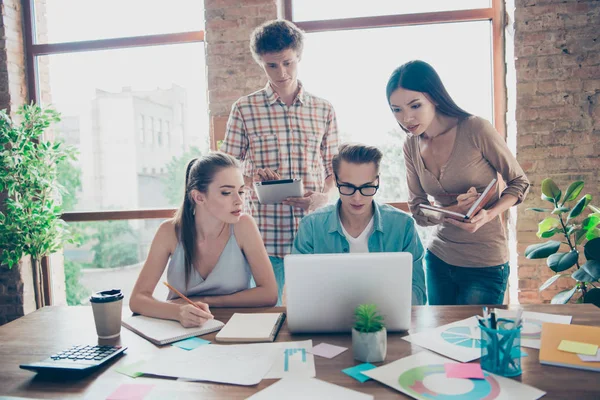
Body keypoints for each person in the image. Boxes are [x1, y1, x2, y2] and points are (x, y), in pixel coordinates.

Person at [386, 60, 530, 305]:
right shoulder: (411, 145)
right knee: (437, 339)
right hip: (438, 257)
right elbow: (419, 212)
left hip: (484, 263)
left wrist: (488, 214)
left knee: (474, 340)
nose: (406, 118)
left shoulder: (476, 129)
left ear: (435, 98)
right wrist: (452, 212)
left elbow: (519, 182)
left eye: (415, 105)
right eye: (396, 109)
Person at [220, 20, 339, 305]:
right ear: (261, 63)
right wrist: (251, 183)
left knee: (318, 312)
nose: (282, 73)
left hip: (314, 233)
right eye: (272, 65)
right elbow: (226, 170)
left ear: (299, 57)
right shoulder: (244, 108)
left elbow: (335, 171)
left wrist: (322, 198)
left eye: (288, 63)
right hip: (264, 237)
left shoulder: (324, 110)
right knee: (265, 316)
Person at [130, 153, 278, 327]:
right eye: (226, 192)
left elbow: (269, 294)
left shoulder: (243, 226)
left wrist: (206, 300)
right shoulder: (168, 231)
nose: (239, 201)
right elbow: (138, 299)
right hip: (180, 331)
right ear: (198, 197)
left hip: (234, 328)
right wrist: (178, 312)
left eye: (241, 191)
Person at [293, 143, 427, 305]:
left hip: (385, 323)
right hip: (326, 324)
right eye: (348, 187)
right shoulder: (311, 226)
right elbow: (299, 291)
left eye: (367, 187)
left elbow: (418, 293)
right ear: (335, 181)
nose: (357, 198)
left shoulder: (403, 225)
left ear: (377, 181)